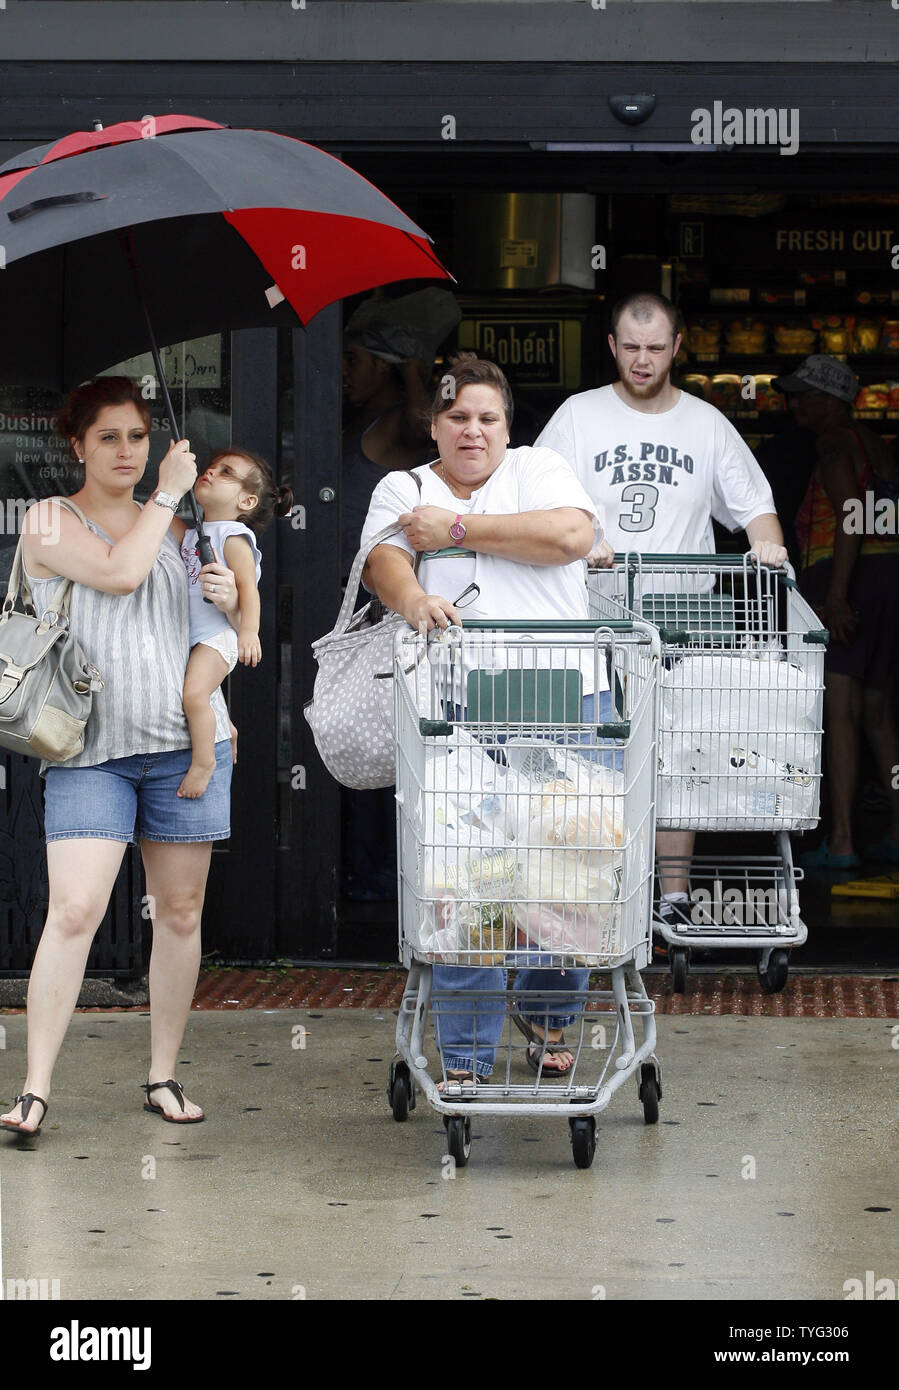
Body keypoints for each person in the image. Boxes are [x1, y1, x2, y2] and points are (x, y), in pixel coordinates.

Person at [1, 376, 240, 1136]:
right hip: (88, 750)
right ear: (75, 446)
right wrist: (170, 495)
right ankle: (35, 1088)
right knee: (74, 911)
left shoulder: (182, 529)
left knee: (179, 911)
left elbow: (216, 621)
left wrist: (229, 592)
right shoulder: (49, 519)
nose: (127, 451)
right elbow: (118, 572)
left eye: (137, 436)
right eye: (108, 437)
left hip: (187, 747)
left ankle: (162, 1074)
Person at [361, 352, 602, 1082]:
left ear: (507, 425)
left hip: (563, 702)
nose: (472, 431)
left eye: (486, 418)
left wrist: (456, 529)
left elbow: (569, 538)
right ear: (432, 424)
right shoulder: (402, 487)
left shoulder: (539, 468)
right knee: (467, 886)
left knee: (568, 876)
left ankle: (548, 1017)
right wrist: (414, 601)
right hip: (456, 710)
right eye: (456, 417)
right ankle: (465, 1058)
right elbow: (383, 560)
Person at [535, 291, 788, 932]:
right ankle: (599, 894)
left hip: (686, 613)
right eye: (631, 348)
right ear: (612, 347)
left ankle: (671, 896)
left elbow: (754, 503)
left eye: (655, 348)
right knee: (592, 754)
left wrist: (766, 538)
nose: (642, 361)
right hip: (595, 610)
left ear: (677, 347)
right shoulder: (576, 416)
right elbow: (535, 500)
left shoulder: (706, 423)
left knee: (686, 753)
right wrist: (582, 539)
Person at [341, 289, 459, 901]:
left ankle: (381, 877)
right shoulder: (361, 420)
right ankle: (372, 871)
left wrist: (415, 363)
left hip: (388, 609)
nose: (343, 373)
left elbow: (425, 423)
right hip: (366, 599)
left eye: (356, 360)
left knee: (385, 739)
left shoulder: (398, 425)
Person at [773, 355, 899, 868]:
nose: (795, 404)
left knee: (841, 714)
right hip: (889, 576)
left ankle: (843, 841)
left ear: (833, 402)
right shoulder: (876, 445)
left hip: (849, 575)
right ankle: (894, 832)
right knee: (879, 713)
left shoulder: (831, 444)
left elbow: (850, 518)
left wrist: (839, 595)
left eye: (806, 395)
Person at [178, 448, 293, 798]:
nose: (211, 472)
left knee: (195, 694)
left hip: (217, 636)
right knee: (203, 693)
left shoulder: (232, 535)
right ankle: (226, 732)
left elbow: (249, 590)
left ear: (247, 501)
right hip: (197, 636)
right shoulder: (196, 529)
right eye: (212, 467)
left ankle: (205, 762)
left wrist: (248, 632)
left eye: (226, 472)